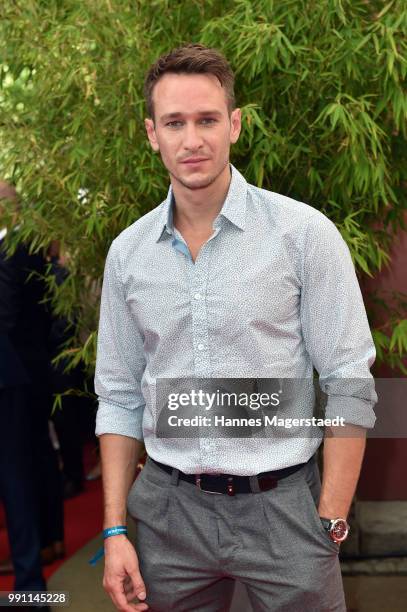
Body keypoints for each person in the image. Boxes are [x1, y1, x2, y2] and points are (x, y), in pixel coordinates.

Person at [94, 44, 377, 612]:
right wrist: (114, 530)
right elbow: (119, 397)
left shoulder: (303, 235)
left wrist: (332, 517)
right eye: (175, 122)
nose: (192, 139)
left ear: (235, 124)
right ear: (152, 134)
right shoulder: (128, 255)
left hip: (286, 512)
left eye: (207, 120)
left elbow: (349, 380)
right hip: (169, 515)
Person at [0, 181, 63, 599]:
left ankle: (29, 582)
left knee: (15, 472)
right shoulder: (31, 247)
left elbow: (5, 320)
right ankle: (46, 546)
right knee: (32, 460)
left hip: (12, 377)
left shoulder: (10, 252)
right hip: (32, 371)